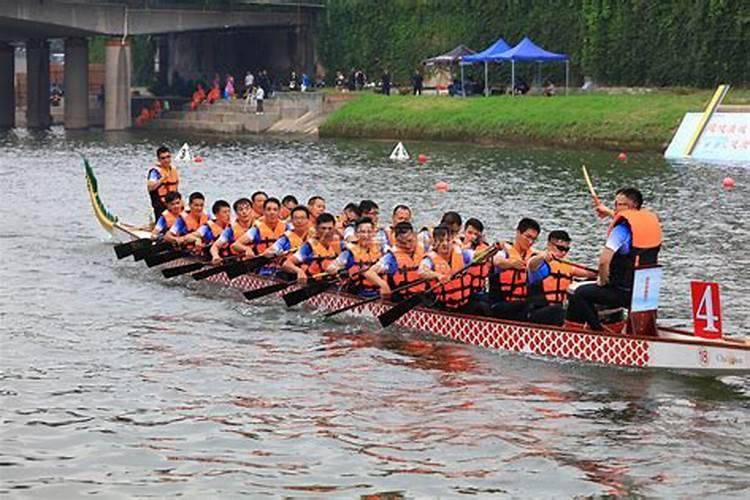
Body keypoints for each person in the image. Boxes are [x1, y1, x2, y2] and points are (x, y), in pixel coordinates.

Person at [566, 188, 662, 332]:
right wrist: (609, 213)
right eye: (615, 203)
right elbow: (629, 224)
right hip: (646, 292)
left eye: (619, 204)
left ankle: (598, 333)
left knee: (579, 293)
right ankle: (646, 330)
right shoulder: (651, 224)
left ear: (632, 206)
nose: (615, 207)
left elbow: (604, 261)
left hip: (623, 291)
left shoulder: (620, 231)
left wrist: (603, 280)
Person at [526, 230, 596, 325]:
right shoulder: (540, 265)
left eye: (566, 250)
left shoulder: (567, 267)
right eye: (560, 248)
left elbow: (590, 273)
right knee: (559, 310)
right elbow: (531, 264)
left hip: (558, 312)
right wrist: (541, 256)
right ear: (549, 245)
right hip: (538, 311)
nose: (563, 253)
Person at [488, 218, 540, 320]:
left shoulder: (533, 255)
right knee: (527, 305)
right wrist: (511, 263)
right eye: (528, 237)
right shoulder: (504, 252)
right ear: (518, 233)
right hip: (500, 305)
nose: (530, 242)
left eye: (534, 239)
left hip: (521, 306)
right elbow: (497, 261)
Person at [364, 221, 427, 302]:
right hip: (401, 300)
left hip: (422, 296)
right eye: (403, 243)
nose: (408, 246)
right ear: (396, 241)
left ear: (414, 235)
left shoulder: (423, 249)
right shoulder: (390, 257)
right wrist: (383, 285)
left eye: (410, 241)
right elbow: (369, 273)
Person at [418, 225, 474, 312]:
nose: (445, 244)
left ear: (452, 240)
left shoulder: (461, 253)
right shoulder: (429, 259)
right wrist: (438, 275)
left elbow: (477, 254)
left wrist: (494, 248)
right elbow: (422, 271)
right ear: (434, 243)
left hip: (462, 302)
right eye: (441, 241)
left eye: (448, 240)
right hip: (441, 305)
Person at [327, 217, 383, 298]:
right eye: (362, 232)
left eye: (369, 232)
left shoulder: (379, 250)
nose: (366, 235)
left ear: (374, 233)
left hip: (377, 292)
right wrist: (339, 271)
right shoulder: (349, 253)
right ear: (356, 234)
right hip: (356, 292)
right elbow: (330, 268)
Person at [231, 198, 286, 275]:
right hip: (262, 267)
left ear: (279, 211)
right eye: (269, 209)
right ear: (263, 211)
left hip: (284, 266)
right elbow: (235, 245)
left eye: (275, 210)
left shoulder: (287, 227)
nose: (272, 212)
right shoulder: (256, 230)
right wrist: (247, 249)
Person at [283, 212, 341, 284]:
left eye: (330, 228)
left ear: (334, 229)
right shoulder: (308, 247)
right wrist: (299, 271)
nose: (327, 232)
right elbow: (286, 264)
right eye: (323, 228)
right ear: (316, 229)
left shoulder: (339, 245)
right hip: (311, 283)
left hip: (328, 282)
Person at [209, 197, 254, 264]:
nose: (244, 212)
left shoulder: (259, 227)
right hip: (238, 263)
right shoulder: (230, 230)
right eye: (241, 210)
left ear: (252, 210)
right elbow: (215, 246)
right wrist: (215, 256)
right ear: (236, 213)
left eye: (247, 209)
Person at [147, 145, 180, 222]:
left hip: (174, 204)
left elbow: (176, 189)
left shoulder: (173, 170)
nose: (166, 160)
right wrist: (162, 179)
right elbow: (150, 187)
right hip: (161, 205)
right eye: (163, 158)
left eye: (168, 157)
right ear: (159, 159)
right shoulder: (155, 172)